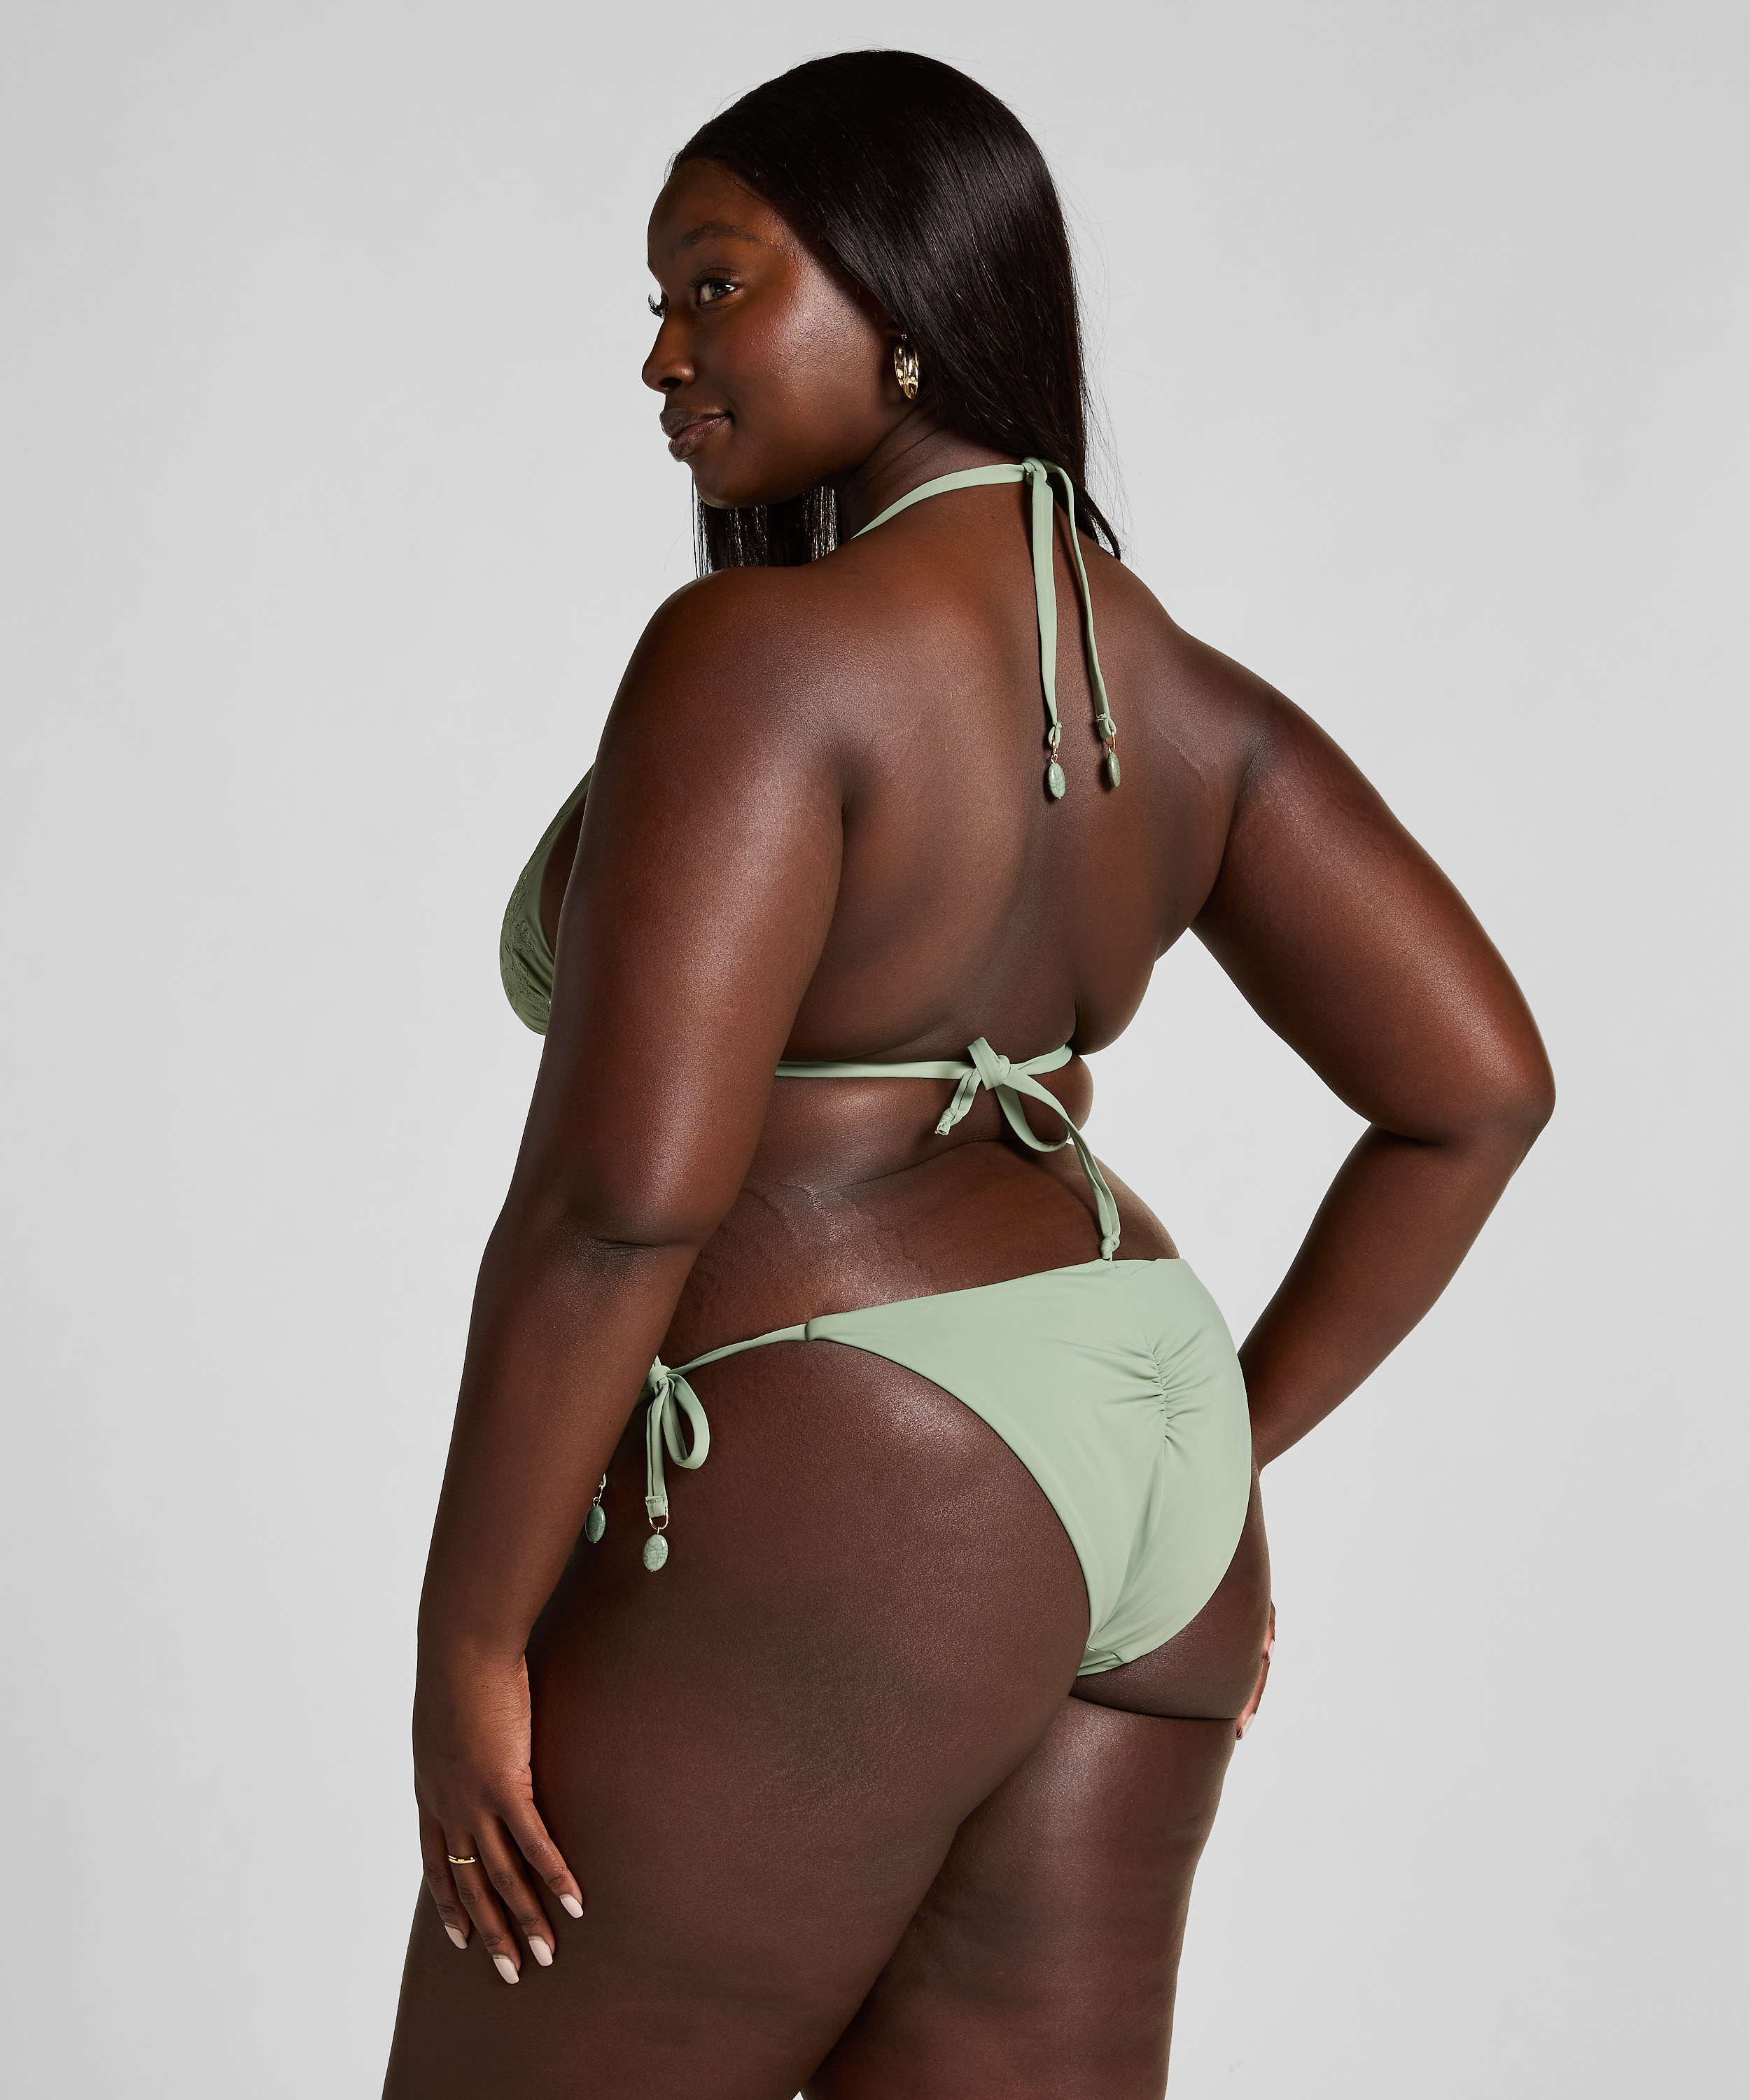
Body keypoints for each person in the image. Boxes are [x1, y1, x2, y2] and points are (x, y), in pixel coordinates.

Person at [382, 49, 1553, 2099]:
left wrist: (468, 1639)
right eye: (657, 302)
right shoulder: (1180, 692)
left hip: (861, 1459)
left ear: (907, 301)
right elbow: (1478, 1089)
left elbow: (620, 1206)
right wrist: (1217, 1449)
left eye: (717, 286)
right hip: (1146, 1471)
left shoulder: (763, 657)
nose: (661, 356)